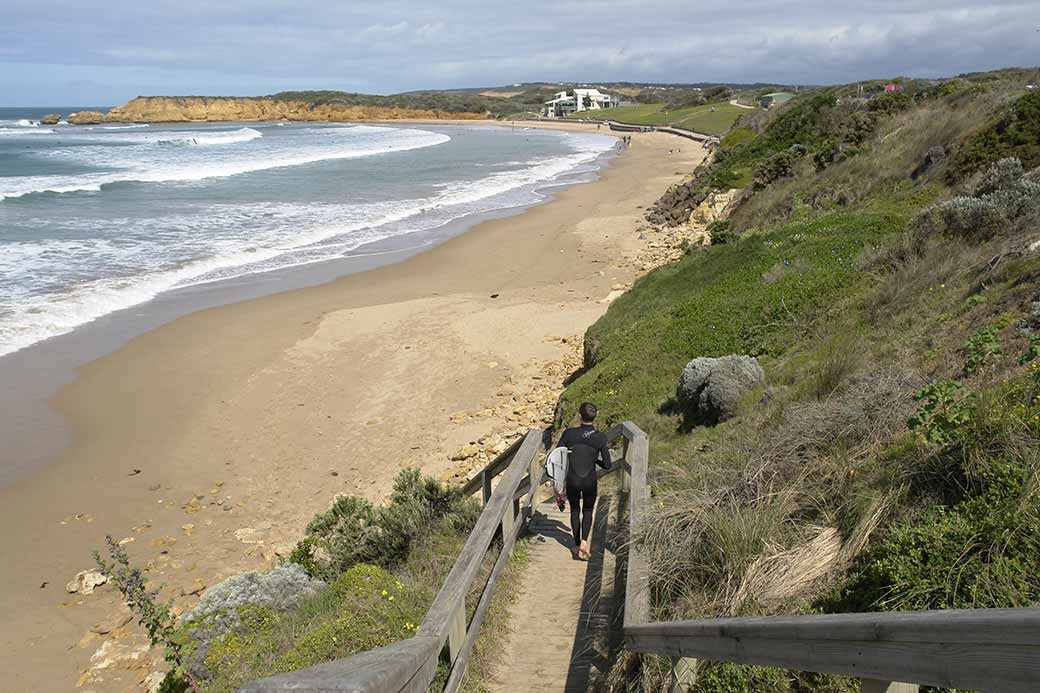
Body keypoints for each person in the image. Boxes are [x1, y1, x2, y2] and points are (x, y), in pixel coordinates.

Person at [552, 402, 611, 560]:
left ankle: (576, 544)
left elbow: (557, 455)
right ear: (596, 415)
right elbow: (607, 465)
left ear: (579, 415)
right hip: (590, 480)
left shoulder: (569, 434)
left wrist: (558, 485)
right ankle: (585, 542)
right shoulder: (600, 437)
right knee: (587, 511)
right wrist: (594, 460)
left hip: (573, 479)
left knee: (575, 510)